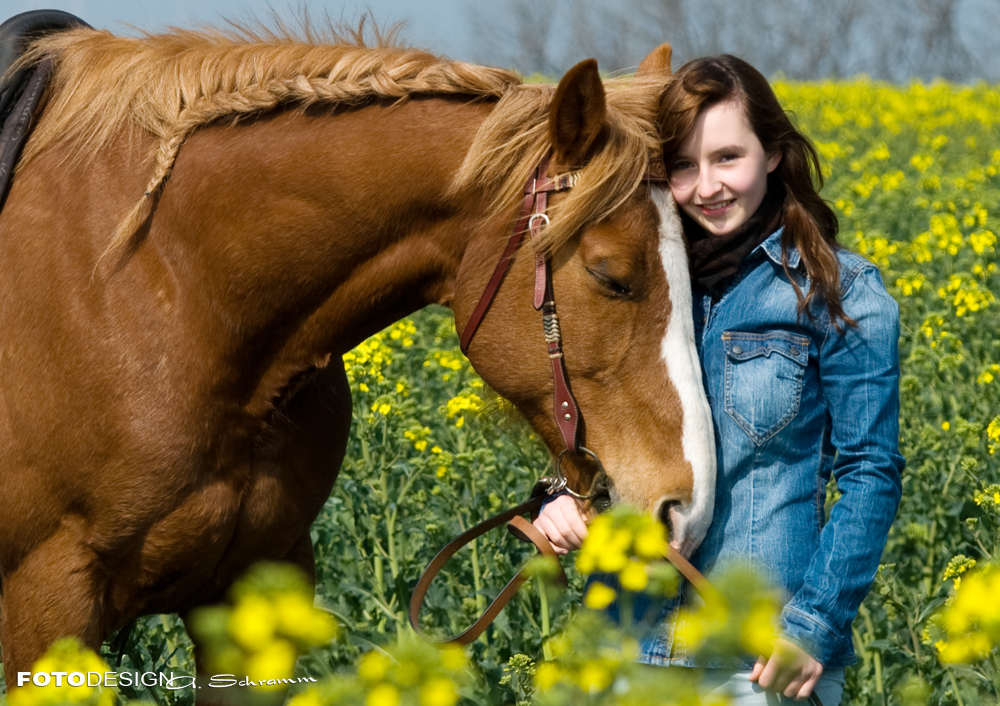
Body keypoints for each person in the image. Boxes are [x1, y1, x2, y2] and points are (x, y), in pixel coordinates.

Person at [532, 54, 904, 705]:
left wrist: (811, 629)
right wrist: (560, 497)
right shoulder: (642, 287)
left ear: (774, 156)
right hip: (628, 644)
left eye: (727, 157)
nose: (706, 186)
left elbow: (871, 473)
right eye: (683, 165)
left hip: (757, 660)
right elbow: (608, 425)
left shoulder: (839, 290)